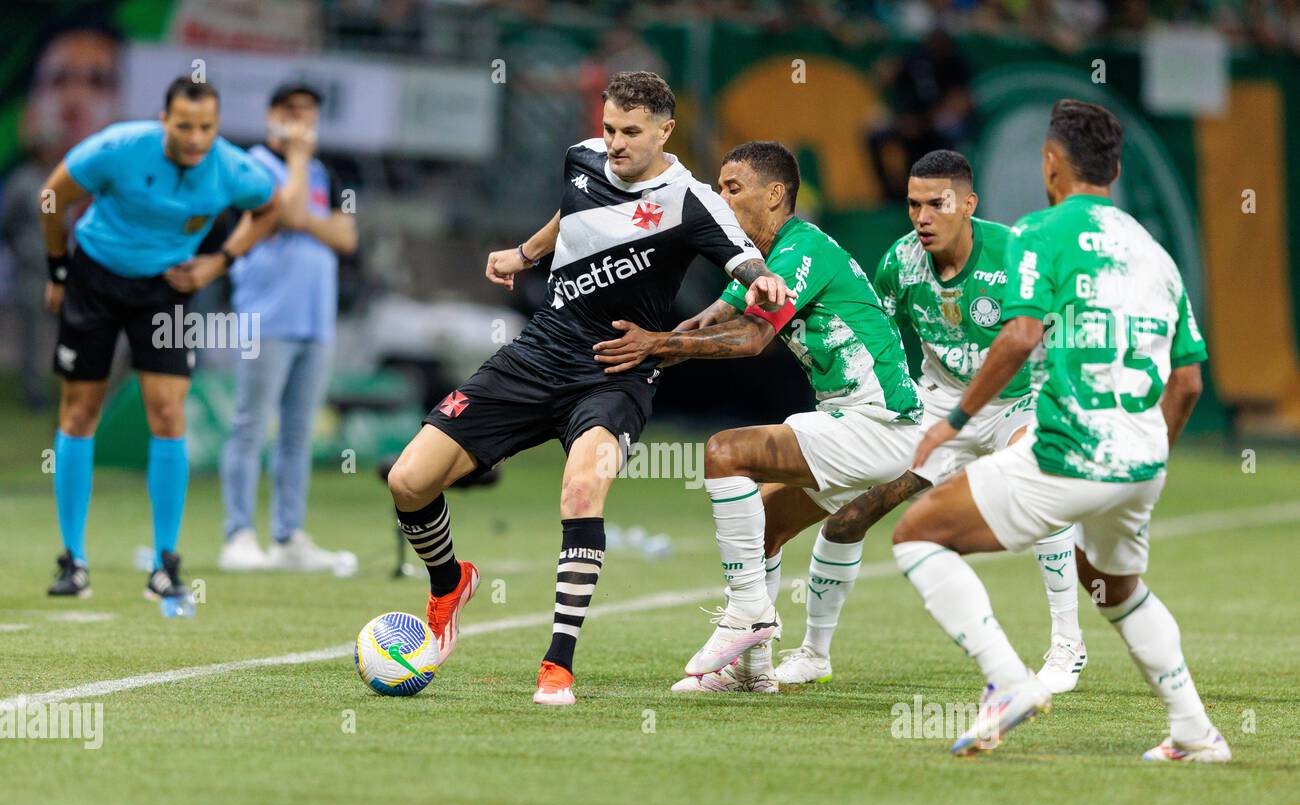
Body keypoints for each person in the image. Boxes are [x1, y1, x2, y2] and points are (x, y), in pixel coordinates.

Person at [384, 71, 788, 707]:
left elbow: (742, 257)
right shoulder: (582, 159)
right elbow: (571, 214)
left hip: (614, 373)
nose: (617, 143)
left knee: (580, 488)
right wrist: (526, 253)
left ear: (665, 131)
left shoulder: (691, 201)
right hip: (537, 352)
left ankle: (558, 663)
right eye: (610, 129)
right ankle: (448, 585)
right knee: (408, 481)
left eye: (632, 132)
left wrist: (761, 281)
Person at [891, 99, 1229, 761]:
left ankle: (1009, 681)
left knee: (917, 535)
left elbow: (1018, 336)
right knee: (1113, 587)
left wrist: (952, 422)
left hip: (1072, 447)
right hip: (1141, 458)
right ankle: (1194, 732)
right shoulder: (1154, 253)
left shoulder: (1039, 233)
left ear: (1051, 164)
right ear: (1115, 170)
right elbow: (1188, 382)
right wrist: (1152, 454)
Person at [591, 141, 921, 692]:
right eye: (718, 188)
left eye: (732, 188)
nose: (720, 198)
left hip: (879, 422)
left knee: (726, 453)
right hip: (858, 424)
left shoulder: (801, 250)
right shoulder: (757, 265)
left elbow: (750, 339)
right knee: (761, 528)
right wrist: (651, 349)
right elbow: (707, 323)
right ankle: (751, 671)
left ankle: (748, 615)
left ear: (775, 195)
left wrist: (658, 345)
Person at [773, 150, 1086, 693]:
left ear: (968, 204)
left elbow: (1059, 329)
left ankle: (1067, 646)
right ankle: (813, 654)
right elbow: (880, 339)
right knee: (850, 517)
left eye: (936, 204)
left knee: (1041, 485)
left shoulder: (1014, 255)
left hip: (1020, 401)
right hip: (939, 410)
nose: (922, 216)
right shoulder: (899, 262)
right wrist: (871, 409)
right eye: (913, 203)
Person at [40, 77, 278, 599]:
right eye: (184, 126)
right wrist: (58, 270)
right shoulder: (118, 149)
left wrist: (219, 262)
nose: (195, 139)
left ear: (217, 126)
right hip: (95, 279)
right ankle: (72, 561)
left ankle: (165, 564)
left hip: (165, 290)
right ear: (164, 120)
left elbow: (270, 206)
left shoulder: (234, 169)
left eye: (207, 128)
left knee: (168, 413)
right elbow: (53, 196)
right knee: (80, 412)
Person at [219, 82, 358, 573]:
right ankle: (237, 534)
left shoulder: (327, 172)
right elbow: (289, 212)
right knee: (250, 425)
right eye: (292, 112)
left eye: (310, 114)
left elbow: (346, 235)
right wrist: (298, 165)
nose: (302, 123)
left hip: (314, 320)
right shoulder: (252, 164)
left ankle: (288, 535)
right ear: (271, 115)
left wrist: (307, 216)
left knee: (297, 435)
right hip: (266, 317)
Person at [0, 23, 121, 409]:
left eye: (97, 81)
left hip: (89, 278)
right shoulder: (25, 181)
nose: (74, 99)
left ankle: (82, 393)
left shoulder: (107, 181)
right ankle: (36, 395)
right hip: (36, 273)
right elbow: (8, 227)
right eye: (59, 80)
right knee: (35, 339)